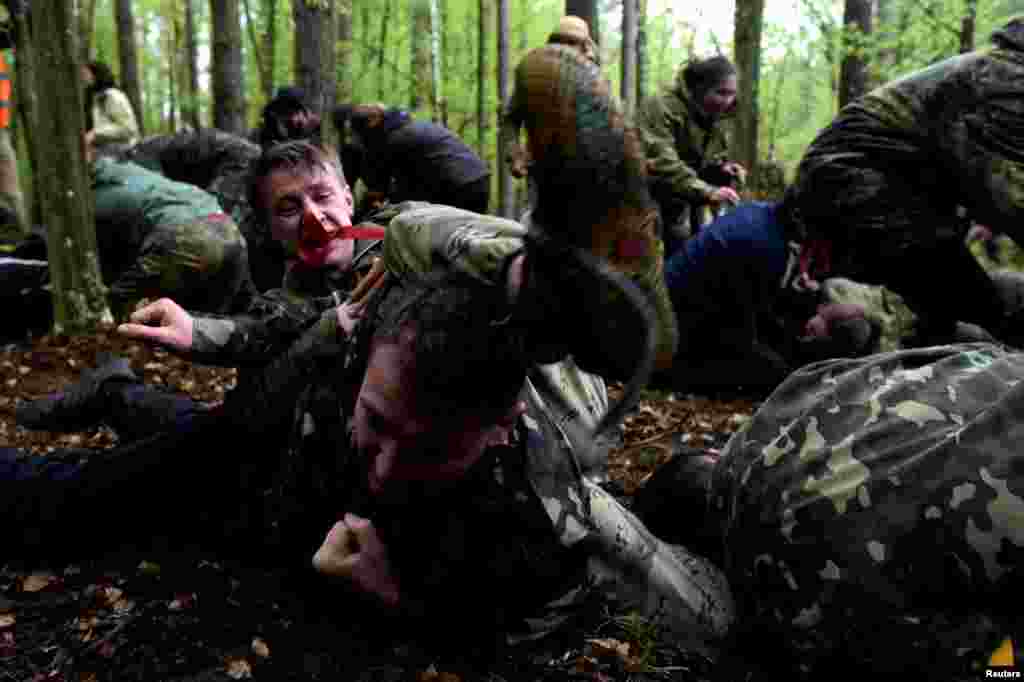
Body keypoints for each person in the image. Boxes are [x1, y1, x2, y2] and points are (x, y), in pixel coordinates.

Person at [634, 341, 1024, 678]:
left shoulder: (777, 572)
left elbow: (971, 664)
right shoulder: (798, 391)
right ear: (713, 454)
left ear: (703, 554)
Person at [787, 16, 1024, 347]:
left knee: (951, 301)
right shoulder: (1006, 80)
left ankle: (927, 362)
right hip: (858, 181)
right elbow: (1004, 190)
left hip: (895, 188)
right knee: (976, 302)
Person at [637, 55, 745, 254]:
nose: (727, 101)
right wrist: (708, 192)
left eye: (731, 94)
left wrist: (721, 170)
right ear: (700, 87)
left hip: (685, 208)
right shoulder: (661, 107)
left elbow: (702, 161)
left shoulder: (716, 115)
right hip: (645, 206)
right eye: (721, 93)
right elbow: (661, 163)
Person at [333, 103, 490, 214]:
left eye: (357, 136)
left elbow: (379, 192)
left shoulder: (392, 141)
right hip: (478, 179)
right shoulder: (408, 128)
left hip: (457, 187)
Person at [500, 15, 600, 183]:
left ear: (584, 48)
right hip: (542, 171)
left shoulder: (595, 80)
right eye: (560, 42)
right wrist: (515, 154)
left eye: (572, 43)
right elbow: (510, 119)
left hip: (585, 173)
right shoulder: (534, 77)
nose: (565, 48)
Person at [81, 60, 140, 159]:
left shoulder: (112, 95)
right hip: (105, 155)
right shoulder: (94, 99)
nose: (84, 78)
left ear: (97, 74)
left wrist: (95, 134)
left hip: (121, 155)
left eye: (86, 74)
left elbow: (128, 128)